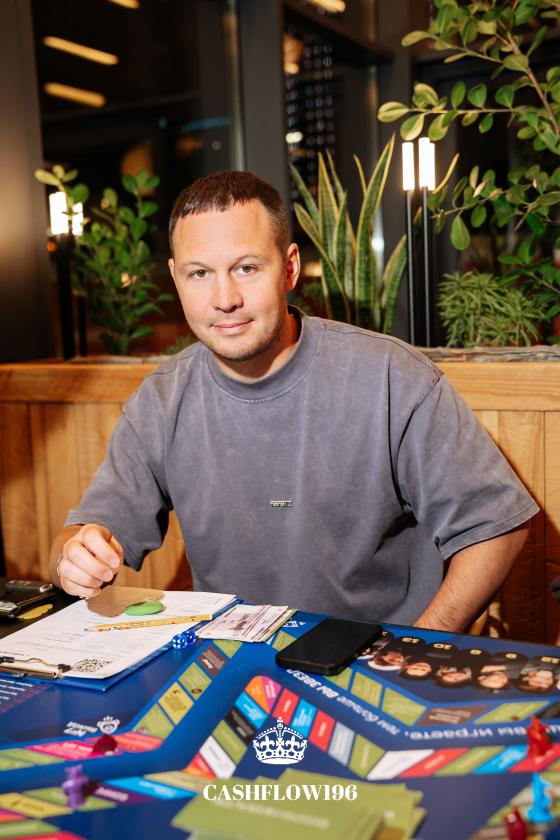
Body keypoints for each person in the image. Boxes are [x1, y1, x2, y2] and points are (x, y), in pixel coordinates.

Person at [48, 170, 538, 631]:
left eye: (246, 268)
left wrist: (415, 648)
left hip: (370, 660)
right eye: (199, 274)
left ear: (289, 268)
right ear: (176, 278)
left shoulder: (391, 376)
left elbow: (496, 527)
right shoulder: (160, 400)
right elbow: (78, 537)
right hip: (232, 659)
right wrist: (74, 557)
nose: (224, 298)